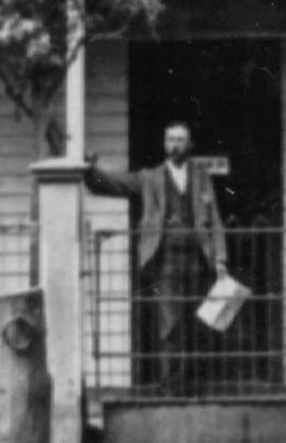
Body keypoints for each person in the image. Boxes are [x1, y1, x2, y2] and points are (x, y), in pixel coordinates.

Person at [84, 121, 230, 396]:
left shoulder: (202, 178)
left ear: (189, 145)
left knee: (199, 323)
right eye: (170, 140)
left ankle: (195, 385)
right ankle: (171, 389)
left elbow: (215, 219)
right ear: (164, 144)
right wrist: (90, 172)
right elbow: (116, 184)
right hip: (166, 261)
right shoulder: (150, 178)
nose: (174, 145)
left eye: (180, 140)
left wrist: (220, 258)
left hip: (198, 260)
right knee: (170, 324)